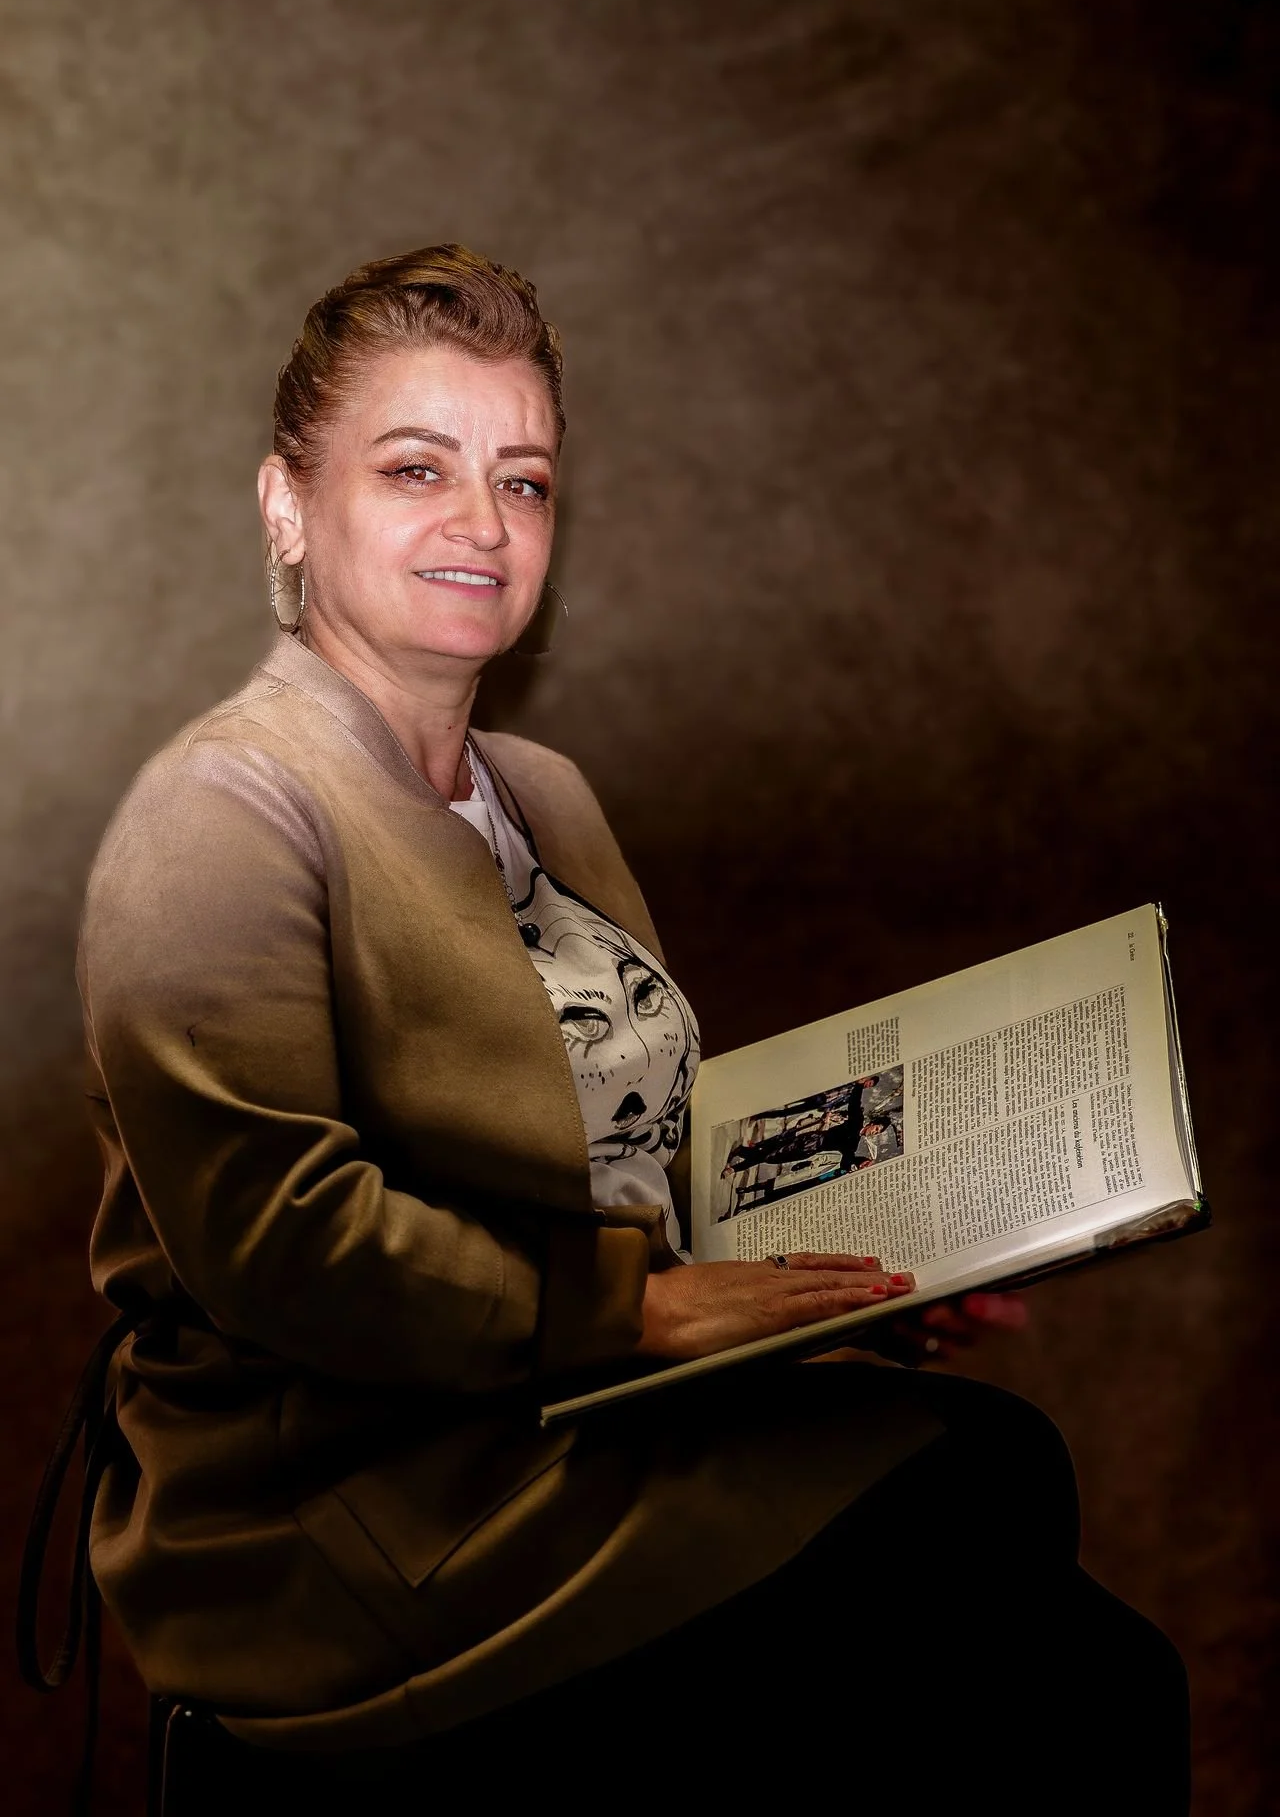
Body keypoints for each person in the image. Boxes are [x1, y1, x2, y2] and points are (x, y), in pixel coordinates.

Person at [70, 247, 1188, 1811]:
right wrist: (642, 1314)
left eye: (522, 481)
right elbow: (279, 1242)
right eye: (416, 469)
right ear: (287, 506)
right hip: (359, 1496)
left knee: (1025, 1535)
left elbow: (631, 1143)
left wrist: (843, 1273)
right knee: (994, 1546)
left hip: (570, 1406)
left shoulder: (544, 793)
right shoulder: (219, 818)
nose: (482, 523)